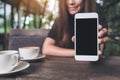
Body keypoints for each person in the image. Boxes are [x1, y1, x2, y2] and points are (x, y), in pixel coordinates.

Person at [42, 0, 108, 57]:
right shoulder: (60, 21)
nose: (71, 2)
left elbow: (99, 51)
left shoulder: (97, 17)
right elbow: (46, 48)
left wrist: (100, 40)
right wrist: (80, 52)